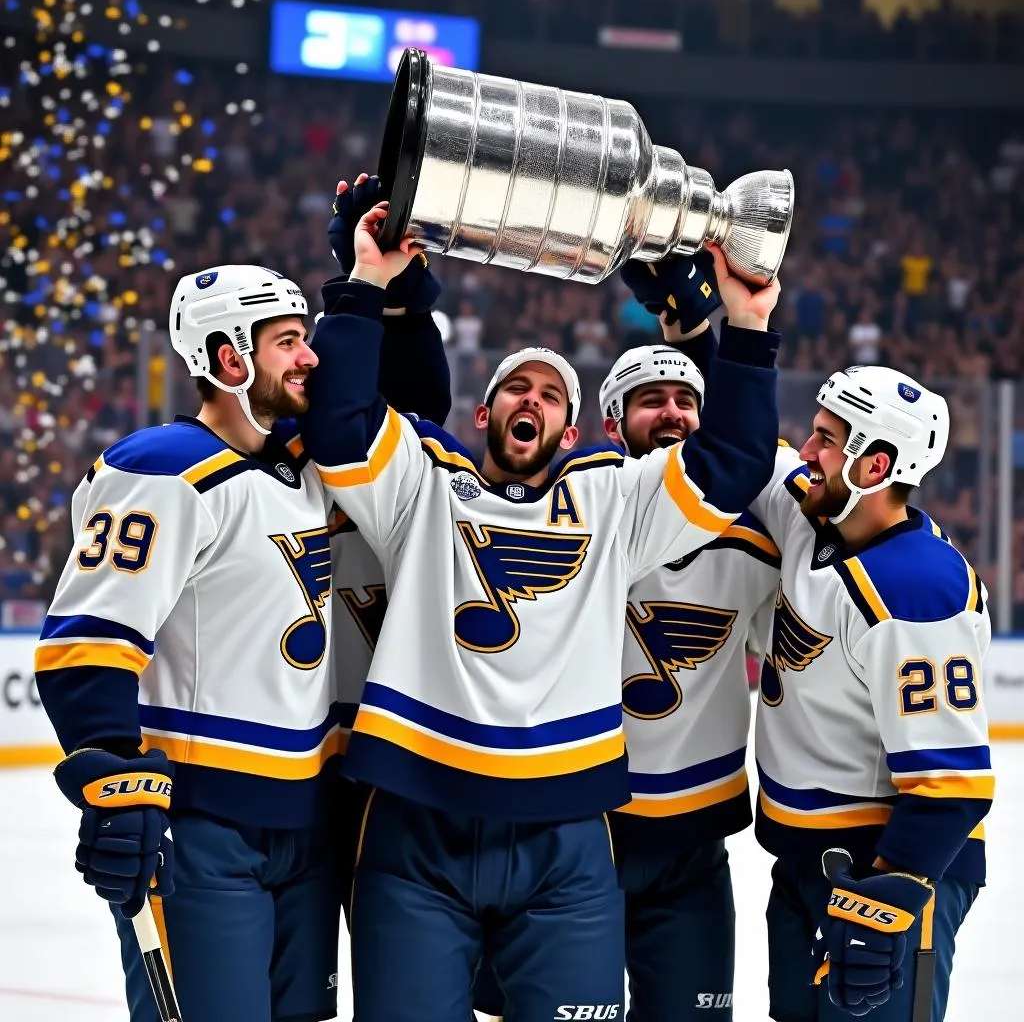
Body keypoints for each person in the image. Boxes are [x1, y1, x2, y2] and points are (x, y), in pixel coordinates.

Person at [300, 200, 784, 1022]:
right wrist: (366, 282)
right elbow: (342, 427)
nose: (534, 398)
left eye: (552, 393)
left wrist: (745, 321)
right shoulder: (421, 485)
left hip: (565, 833)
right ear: (483, 416)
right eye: (516, 388)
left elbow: (731, 461)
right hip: (416, 820)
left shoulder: (612, 500)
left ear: (569, 429)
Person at [35, 263, 354, 1022]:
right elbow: (88, 642)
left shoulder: (313, 467)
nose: (308, 356)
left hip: (309, 825)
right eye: (287, 341)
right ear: (229, 357)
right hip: (204, 829)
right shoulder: (159, 472)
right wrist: (116, 779)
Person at [750, 365, 993, 1021]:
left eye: (826, 440)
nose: (807, 452)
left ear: (874, 464)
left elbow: (951, 787)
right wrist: (693, 323)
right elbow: (756, 453)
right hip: (810, 864)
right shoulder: (816, 514)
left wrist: (882, 905)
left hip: (888, 871)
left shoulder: (920, 591)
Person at [602, 253, 782, 1022]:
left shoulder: (754, 529)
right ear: (611, 423)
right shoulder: (581, 514)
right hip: (579, 837)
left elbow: (740, 451)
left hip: (694, 847)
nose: (672, 413)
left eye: (686, 401)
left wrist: (705, 333)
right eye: (650, 401)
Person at [323, 172, 453, 912]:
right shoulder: (266, 470)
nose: (311, 363)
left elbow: (415, 406)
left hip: (400, 761)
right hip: (290, 760)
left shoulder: (414, 477)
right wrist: (365, 285)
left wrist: (386, 293)